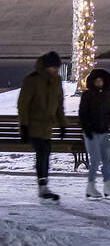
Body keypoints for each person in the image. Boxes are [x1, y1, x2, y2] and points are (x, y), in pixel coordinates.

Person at [17, 51, 66, 204]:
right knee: (42, 152)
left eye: (57, 68)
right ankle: (43, 187)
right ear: (46, 66)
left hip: (47, 127)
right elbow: (23, 104)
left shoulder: (57, 80)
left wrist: (63, 124)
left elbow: (59, 104)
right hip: (33, 125)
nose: (56, 70)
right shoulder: (32, 80)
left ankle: (44, 186)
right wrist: (24, 126)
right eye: (54, 67)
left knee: (46, 152)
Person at [78, 68, 110, 200]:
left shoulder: (107, 95)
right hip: (92, 133)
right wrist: (87, 129)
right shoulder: (87, 95)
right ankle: (90, 186)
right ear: (93, 81)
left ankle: (107, 185)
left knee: (107, 160)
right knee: (95, 159)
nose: (99, 82)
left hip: (104, 132)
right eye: (97, 80)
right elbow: (82, 114)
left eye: (101, 80)